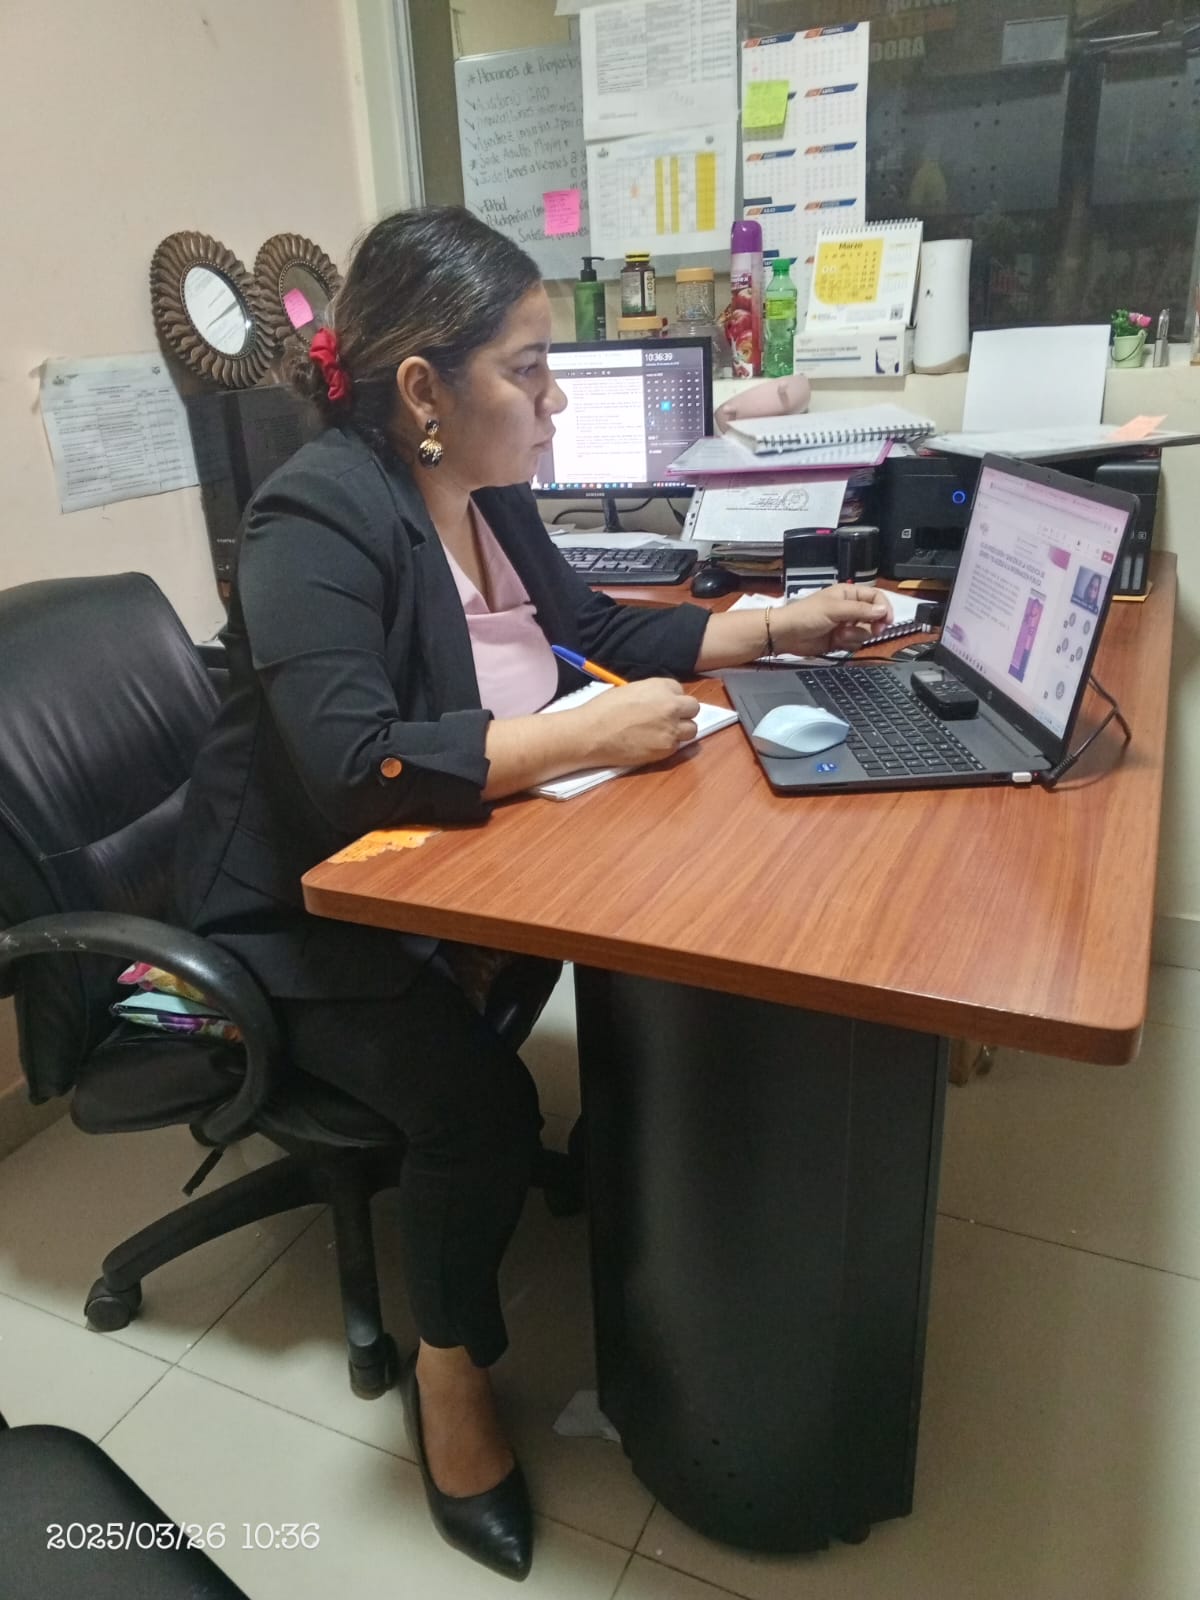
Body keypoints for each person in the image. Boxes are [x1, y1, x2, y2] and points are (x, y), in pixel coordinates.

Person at [175, 206, 893, 1581]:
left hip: (449, 863)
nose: (556, 401)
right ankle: (450, 1372)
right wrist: (580, 738)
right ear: (423, 388)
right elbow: (352, 767)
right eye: (529, 368)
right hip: (303, 908)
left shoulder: (486, 493)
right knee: (479, 1111)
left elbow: (597, 629)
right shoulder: (313, 515)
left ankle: (636, 1177)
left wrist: (768, 626)